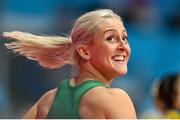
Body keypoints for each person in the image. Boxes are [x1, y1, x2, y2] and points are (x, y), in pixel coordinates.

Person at [3, 9, 136, 119]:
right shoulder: (116, 99)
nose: (123, 45)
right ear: (84, 51)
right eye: (111, 38)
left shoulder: (47, 101)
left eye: (124, 38)